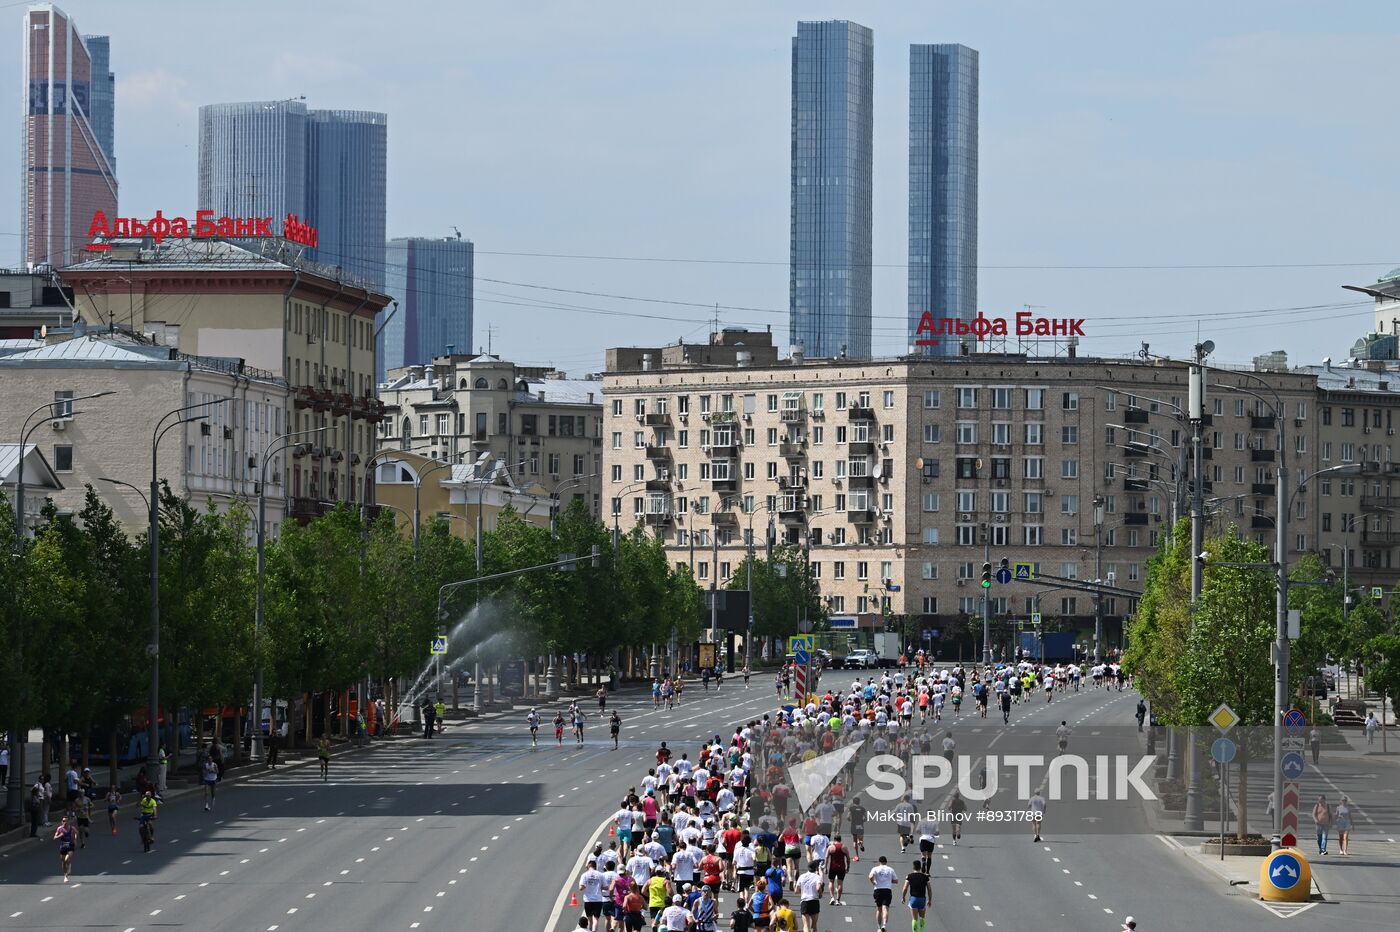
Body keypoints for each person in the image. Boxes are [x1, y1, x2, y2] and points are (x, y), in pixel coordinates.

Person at [867, 855, 897, 932]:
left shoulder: (875, 868)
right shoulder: (890, 869)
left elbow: (870, 876)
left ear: (879, 862)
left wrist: (873, 882)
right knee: (885, 908)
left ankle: (879, 927)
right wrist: (889, 880)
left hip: (878, 890)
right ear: (886, 862)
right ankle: (884, 925)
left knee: (879, 909)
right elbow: (896, 881)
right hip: (887, 890)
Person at [794, 861, 823, 932]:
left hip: (805, 901)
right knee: (814, 925)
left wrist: (803, 891)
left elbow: (796, 891)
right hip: (814, 901)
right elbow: (818, 888)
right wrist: (820, 894)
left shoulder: (802, 876)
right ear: (816, 868)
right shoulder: (817, 877)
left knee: (806, 925)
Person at [902, 860, 930, 932]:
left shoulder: (909, 876)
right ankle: (922, 930)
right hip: (922, 899)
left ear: (913, 867)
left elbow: (905, 888)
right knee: (922, 918)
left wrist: (903, 897)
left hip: (913, 899)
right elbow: (929, 889)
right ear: (920, 867)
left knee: (914, 919)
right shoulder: (925, 877)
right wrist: (929, 900)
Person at [824, 834, 849, 905]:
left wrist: (825, 867)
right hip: (841, 867)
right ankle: (838, 899)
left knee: (831, 882)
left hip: (833, 867)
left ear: (834, 840)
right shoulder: (844, 847)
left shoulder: (831, 847)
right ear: (840, 840)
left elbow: (826, 857)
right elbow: (848, 858)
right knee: (840, 883)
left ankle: (832, 897)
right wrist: (848, 867)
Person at [54, 815, 77, 882]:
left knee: (67, 859)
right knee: (63, 862)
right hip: (63, 846)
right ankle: (65, 876)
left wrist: (75, 839)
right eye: (63, 821)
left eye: (66, 821)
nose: (65, 822)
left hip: (70, 846)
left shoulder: (72, 828)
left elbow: (76, 833)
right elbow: (54, 838)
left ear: (68, 822)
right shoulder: (59, 829)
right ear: (62, 822)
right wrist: (59, 835)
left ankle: (69, 865)